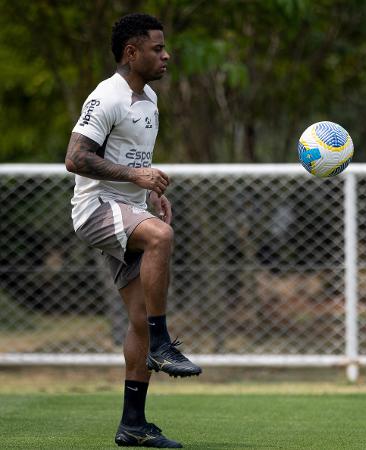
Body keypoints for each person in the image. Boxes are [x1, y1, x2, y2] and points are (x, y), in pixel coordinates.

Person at [65, 13, 201, 448]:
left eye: (164, 47)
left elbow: (134, 166)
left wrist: (150, 196)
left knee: (137, 320)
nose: (166, 55)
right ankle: (164, 343)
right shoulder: (107, 96)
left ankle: (133, 425)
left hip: (126, 209)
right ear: (131, 52)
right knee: (161, 236)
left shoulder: (148, 101)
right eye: (157, 48)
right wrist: (137, 179)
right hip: (95, 209)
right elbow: (75, 158)